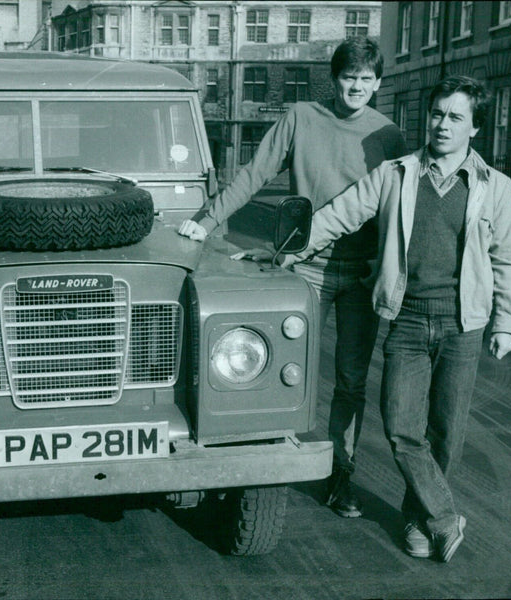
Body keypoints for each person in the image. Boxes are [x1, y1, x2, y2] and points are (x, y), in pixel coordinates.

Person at [279, 75, 511, 561]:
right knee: (400, 426)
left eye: (456, 117)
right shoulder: (397, 174)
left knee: (445, 432)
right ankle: (443, 517)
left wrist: (507, 321)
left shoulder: (495, 187)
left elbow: (510, 259)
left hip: (462, 325)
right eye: (437, 114)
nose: (442, 125)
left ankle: (418, 519)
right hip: (408, 321)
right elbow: (340, 213)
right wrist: (292, 247)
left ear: (474, 127)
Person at [178, 37, 407, 518]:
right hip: (306, 269)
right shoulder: (301, 117)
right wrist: (206, 221)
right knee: (278, 367)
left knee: (350, 380)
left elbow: (398, 209)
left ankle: (340, 472)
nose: (357, 88)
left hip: (360, 275)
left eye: (367, 80)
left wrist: (385, 262)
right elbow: (253, 174)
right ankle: (260, 469)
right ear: (334, 78)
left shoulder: (389, 135)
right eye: (349, 78)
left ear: (379, 84)